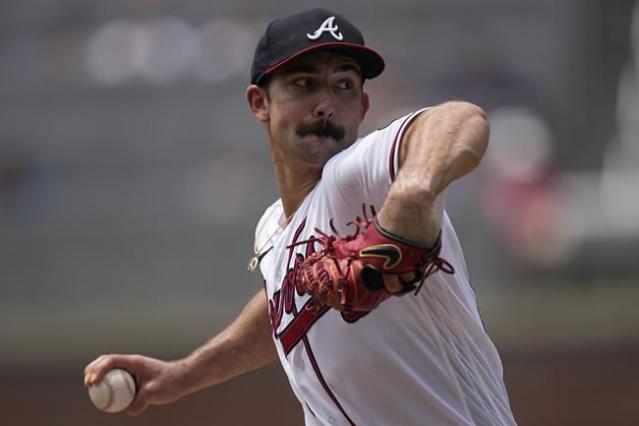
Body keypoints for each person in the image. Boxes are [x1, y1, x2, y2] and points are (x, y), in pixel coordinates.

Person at [84, 8, 516, 425]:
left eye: (344, 85)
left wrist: (411, 192)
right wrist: (181, 375)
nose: (326, 104)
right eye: (304, 84)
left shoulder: (361, 177)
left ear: (364, 107)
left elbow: (459, 118)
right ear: (260, 103)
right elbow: (280, 304)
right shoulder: (273, 229)